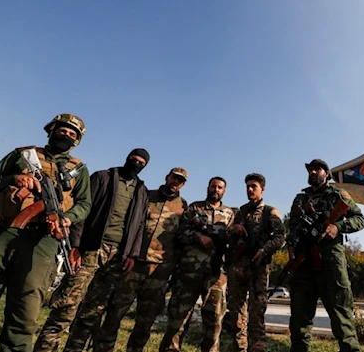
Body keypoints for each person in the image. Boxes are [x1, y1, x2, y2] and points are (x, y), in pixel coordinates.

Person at [0, 114, 91, 352]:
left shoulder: (79, 170)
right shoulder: (22, 155)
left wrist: (67, 218)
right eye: (62, 131)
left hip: (42, 241)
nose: (65, 136)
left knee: (26, 311)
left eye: (72, 135)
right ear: (52, 130)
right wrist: (14, 179)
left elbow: (84, 205)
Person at [34, 148, 150, 352]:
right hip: (89, 249)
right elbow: (84, 210)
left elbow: (140, 225)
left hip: (116, 256)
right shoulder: (103, 177)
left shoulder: (141, 190)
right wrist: (76, 245)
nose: (136, 164)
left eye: (141, 162)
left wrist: (132, 254)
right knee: (67, 305)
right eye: (134, 159)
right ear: (126, 158)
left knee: (92, 312)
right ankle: (45, 348)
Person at [93, 167, 189, 352]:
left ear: (183, 185)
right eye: (173, 178)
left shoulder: (183, 207)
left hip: (159, 272)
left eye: (180, 181)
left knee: (145, 322)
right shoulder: (146, 196)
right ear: (167, 177)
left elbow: (181, 238)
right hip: (134, 264)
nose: (175, 182)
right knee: (115, 313)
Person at [287, 159, 364, 352]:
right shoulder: (300, 199)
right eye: (310, 170)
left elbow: (360, 219)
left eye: (317, 169)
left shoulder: (338, 194)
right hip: (303, 262)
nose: (313, 172)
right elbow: (292, 226)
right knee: (299, 319)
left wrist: (337, 227)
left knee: (341, 316)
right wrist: (290, 244)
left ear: (327, 173)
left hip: (331, 262)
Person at [159, 177, 235, 352]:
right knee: (177, 319)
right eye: (213, 186)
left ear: (224, 191)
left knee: (214, 322)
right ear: (208, 187)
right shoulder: (194, 208)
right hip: (189, 272)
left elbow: (232, 242)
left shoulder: (230, 214)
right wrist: (198, 237)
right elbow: (179, 233)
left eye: (220, 187)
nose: (216, 189)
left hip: (216, 275)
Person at [227, 173, 286, 352]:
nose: (250, 189)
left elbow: (280, 237)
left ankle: (257, 348)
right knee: (235, 312)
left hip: (257, 267)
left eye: (254, 186)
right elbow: (227, 235)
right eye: (248, 186)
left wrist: (264, 250)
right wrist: (234, 229)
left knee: (257, 312)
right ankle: (239, 347)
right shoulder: (240, 212)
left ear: (262, 189)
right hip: (237, 267)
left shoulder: (270, 211)